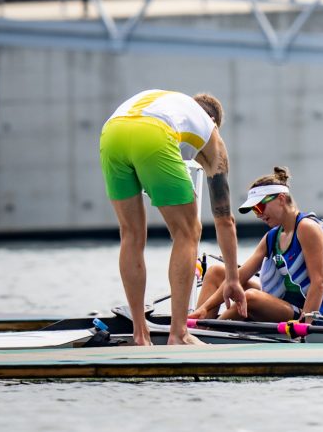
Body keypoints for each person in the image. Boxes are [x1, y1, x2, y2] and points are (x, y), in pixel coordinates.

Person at [99, 90, 246, 346]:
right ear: (212, 119)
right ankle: (179, 334)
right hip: (153, 134)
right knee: (188, 232)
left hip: (111, 133)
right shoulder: (211, 133)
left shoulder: (173, 105)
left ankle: (139, 335)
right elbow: (224, 219)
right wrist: (233, 279)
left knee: (131, 234)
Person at [189, 166, 323, 323]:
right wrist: (206, 307)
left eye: (260, 207)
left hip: (306, 311)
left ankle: (207, 329)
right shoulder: (272, 236)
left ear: (281, 199)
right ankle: (200, 317)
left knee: (250, 297)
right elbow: (241, 275)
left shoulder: (307, 228)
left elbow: (319, 283)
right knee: (216, 272)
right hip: (279, 302)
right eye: (254, 210)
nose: (258, 215)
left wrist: (305, 325)